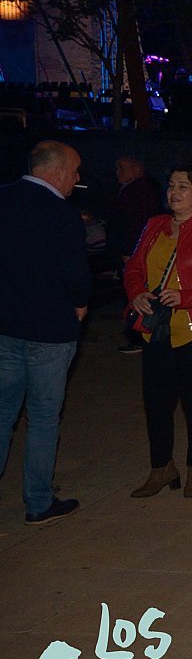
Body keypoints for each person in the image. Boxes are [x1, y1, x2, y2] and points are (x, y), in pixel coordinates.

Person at [125, 166, 192, 499]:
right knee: (156, 402)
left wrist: (187, 297)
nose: (175, 192)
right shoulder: (154, 225)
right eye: (171, 186)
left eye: (183, 187)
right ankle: (161, 467)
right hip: (158, 328)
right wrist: (136, 293)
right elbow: (133, 268)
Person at [0, 141, 89, 525]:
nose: (77, 179)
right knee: (42, 417)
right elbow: (75, 272)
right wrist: (81, 302)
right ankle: (38, 502)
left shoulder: (4, 199)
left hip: (5, 325)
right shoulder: (61, 214)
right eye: (75, 171)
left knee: (2, 412)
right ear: (57, 171)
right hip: (50, 330)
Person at [112, 155, 163, 354]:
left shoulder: (140, 191)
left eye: (122, 167)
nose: (118, 172)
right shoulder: (133, 189)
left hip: (134, 251)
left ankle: (140, 334)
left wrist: (129, 250)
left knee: (137, 292)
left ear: (137, 169)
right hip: (132, 249)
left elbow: (136, 223)